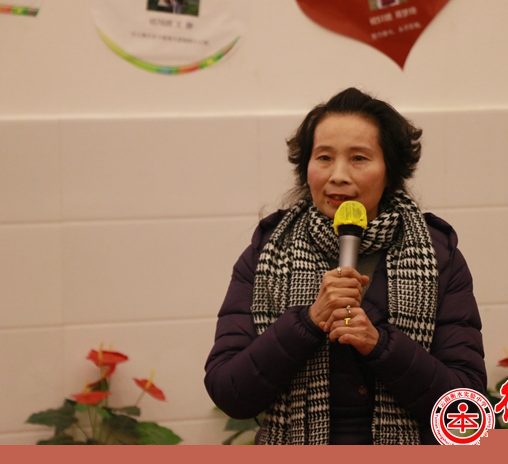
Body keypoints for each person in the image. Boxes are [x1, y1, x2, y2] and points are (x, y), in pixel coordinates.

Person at [204, 87, 486, 445]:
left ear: (390, 170)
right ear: (306, 168)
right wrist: (307, 321)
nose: (338, 175)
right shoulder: (268, 252)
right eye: (324, 157)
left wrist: (380, 344)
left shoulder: (438, 255)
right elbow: (228, 392)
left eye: (359, 158)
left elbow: (466, 406)